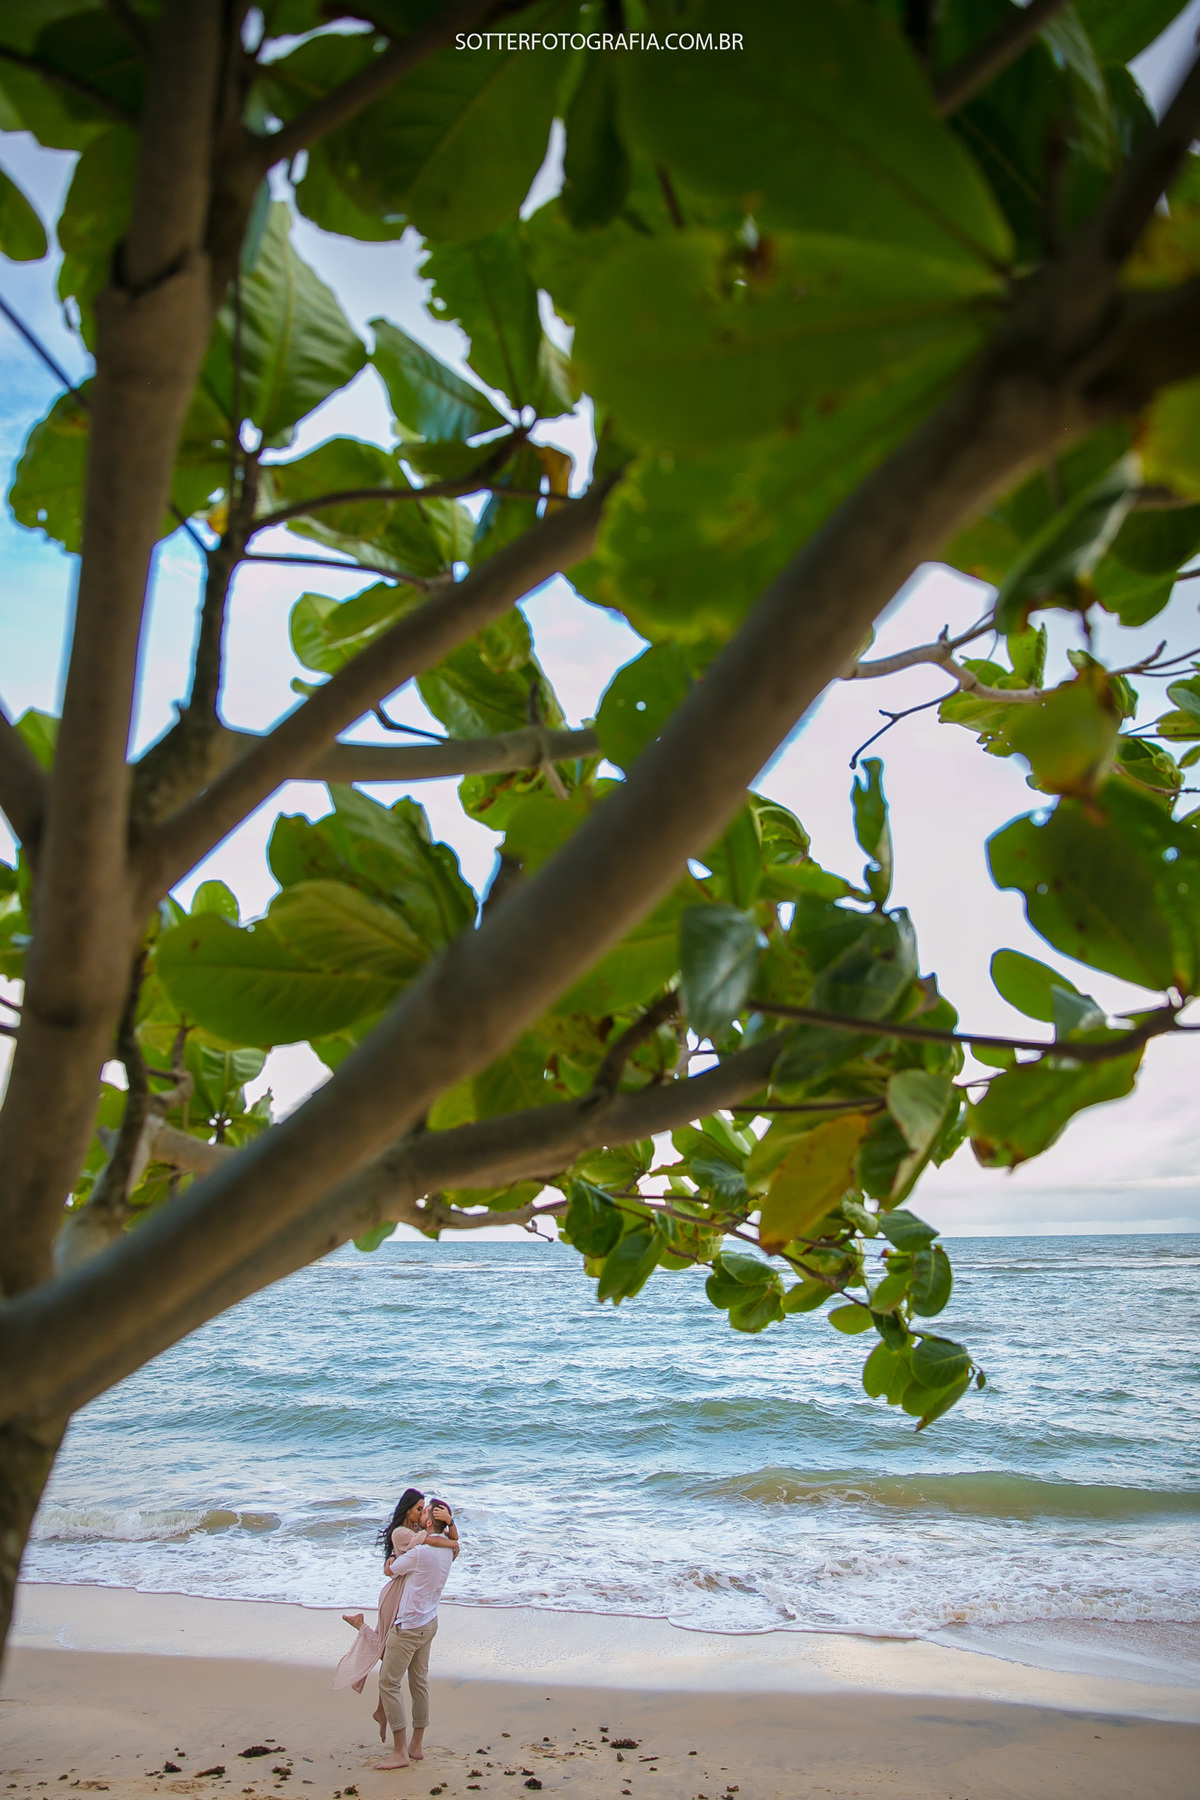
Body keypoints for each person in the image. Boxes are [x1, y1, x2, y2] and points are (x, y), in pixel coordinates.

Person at [331, 1489, 458, 1723]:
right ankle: (361, 1627)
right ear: (407, 1510)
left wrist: (449, 1527)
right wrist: (449, 1531)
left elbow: (448, 1543)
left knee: (392, 1654)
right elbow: (436, 1541)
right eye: (418, 1509)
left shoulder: (419, 1530)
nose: (421, 1513)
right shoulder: (402, 1533)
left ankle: (381, 1710)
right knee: (389, 1652)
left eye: (424, 1510)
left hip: (406, 1594)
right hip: (397, 1595)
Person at [373, 1497, 458, 1771]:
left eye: (425, 1514)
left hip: (408, 1626)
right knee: (419, 1682)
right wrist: (450, 1526)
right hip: (430, 1622)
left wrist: (390, 1559)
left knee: (388, 1682)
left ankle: (400, 1752)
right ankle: (416, 1746)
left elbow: (391, 1570)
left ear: (430, 1522)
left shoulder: (420, 1552)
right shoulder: (449, 1551)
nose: (420, 1517)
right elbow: (455, 1544)